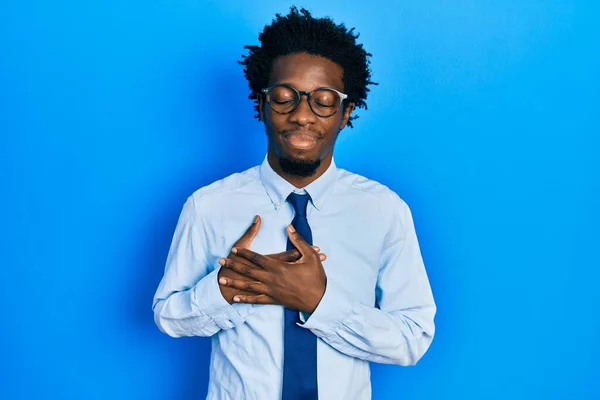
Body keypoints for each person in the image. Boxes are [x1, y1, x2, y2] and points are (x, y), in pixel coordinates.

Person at [152, 6, 436, 400]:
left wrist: (319, 302)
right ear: (262, 105)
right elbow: (168, 315)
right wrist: (225, 289)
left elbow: (413, 338)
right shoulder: (209, 205)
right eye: (285, 97)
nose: (302, 116)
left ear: (346, 112)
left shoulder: (384, 212)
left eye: (322, 100)